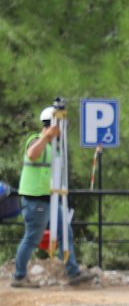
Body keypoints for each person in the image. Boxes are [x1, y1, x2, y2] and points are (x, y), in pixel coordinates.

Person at [11, 104, 94, 288]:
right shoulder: (36, 141)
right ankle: (19, 276)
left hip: (50, 198)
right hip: (36, 201)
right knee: (33, 237)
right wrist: (46, 136)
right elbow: (32, 154)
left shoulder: (53, 147)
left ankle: (73, 272)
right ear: (52, 125)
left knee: (66, 232)